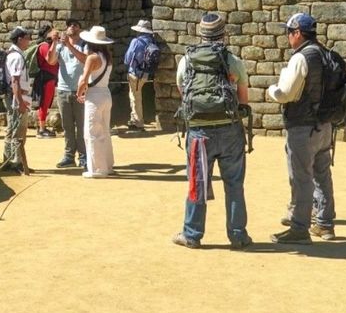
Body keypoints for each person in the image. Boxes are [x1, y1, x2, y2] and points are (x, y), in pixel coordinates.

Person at [172, 13, 252, 249]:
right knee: (234, 184)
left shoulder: (187, 60)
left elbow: (183, 93)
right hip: (230, 131)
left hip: (199, 133)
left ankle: (192, 234)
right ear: (223, 34)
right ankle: (238, 235)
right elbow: (243, 100)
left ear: (201, 34)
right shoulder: (233, 61)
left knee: (197, 182)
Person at [268, 13, 335, 244]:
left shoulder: (301, 57)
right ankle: (324, 224)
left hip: (303, 127)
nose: (287, 37)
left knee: (301, 178)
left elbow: (285, 94)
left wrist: (271, 90)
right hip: (324, 125)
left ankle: (299, 228)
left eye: (289, 32)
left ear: (297, 33)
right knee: (322, 175)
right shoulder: (325, 53)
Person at [75, 26, 115, 178]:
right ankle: (107, 165)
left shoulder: (92, 58)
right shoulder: (107, 56)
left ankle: (98, 169)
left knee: (92, 132)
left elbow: (84, 80)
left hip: (95, 95)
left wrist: (79, 93)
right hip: (105, 93)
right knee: (104, 130)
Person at [48, 19, 87, 169]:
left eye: (75, 25)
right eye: (69, 25)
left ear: (79, 29)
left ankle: (83, 156)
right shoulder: (60, 46)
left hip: (80, 91)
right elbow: (51, 61)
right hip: (63, 90)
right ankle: (69, 156)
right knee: (67, 126)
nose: (71, 27)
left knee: (82, 126)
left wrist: (69, 46)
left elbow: (85, 59)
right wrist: (54, 42)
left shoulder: (84, 45)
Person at [3, 28, 36, 174]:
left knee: (12, 129)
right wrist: (20, 102)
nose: (29, 41)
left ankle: (9, 161)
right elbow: (15, 81)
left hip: (15, 96)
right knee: (18, 131)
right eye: (27, 38)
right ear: (20, 39)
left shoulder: (12, 54)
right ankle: (16, 162)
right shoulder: (16, 57)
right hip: (17, 97)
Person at [123, 19, 156, 132]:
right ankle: (134, 119)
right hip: (145, 73)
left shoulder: (136, 41)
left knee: (135, 98)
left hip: (135, 74)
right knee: (136, 96)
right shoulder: (152, 41)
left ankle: (138, 123)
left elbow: (127, 59)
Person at [32, 25, 58, 139]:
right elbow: (50, 61)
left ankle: (42, 128)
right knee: (44, 103)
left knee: (46, 103)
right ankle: (41, 129)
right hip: (46, 78)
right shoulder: (44, 46)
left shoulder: (47, 45)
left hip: (49, 77)